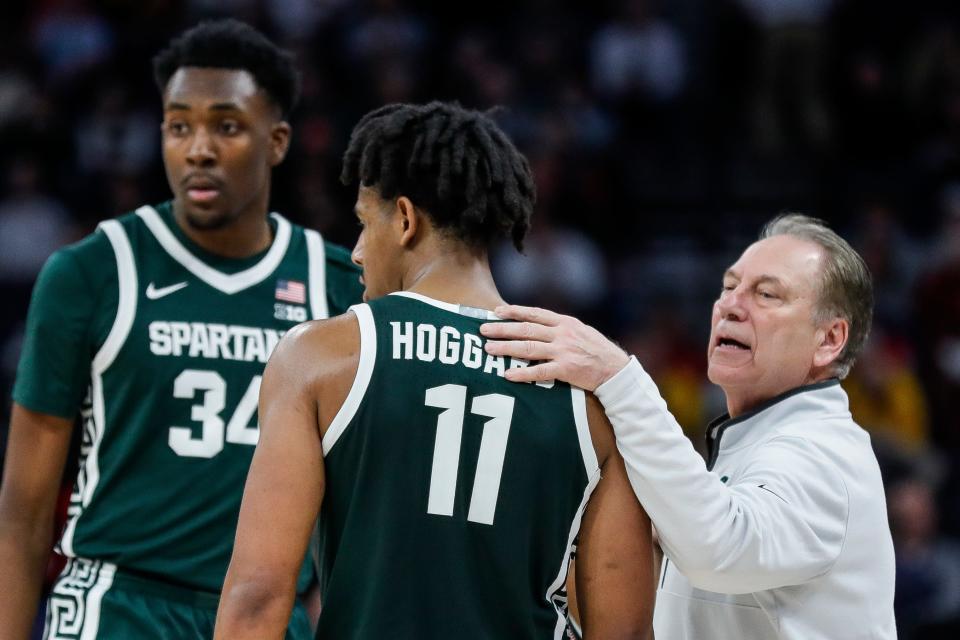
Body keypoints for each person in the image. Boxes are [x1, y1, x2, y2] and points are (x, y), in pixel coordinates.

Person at [214, 101, 655, 639]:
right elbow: (625, 632)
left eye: (362, 223)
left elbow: (259, 596)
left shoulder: (320, 357)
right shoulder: (588, 391)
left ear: (404, 219)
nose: (354, 253)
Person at [0, 19, 362, 640]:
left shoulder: (336, 285)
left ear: (276, 141)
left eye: (226, 125)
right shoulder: (92, 272)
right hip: (117, 606)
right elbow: (24, 507)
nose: (198, 148)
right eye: (178, 125)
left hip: (268, 615)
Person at [481, 214, 897, 639]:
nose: (731, 306)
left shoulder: (824, 452)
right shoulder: (750, 446)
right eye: (729, 286)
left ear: (828, 340)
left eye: (767, 294)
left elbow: (719, 548)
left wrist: (620, 379)